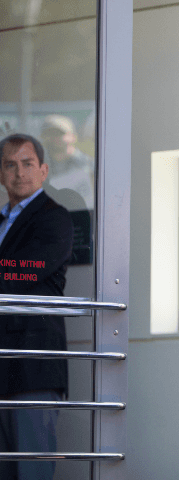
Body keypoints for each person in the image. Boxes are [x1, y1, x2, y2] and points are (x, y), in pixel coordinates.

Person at [0, 134, 74, 480]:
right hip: (3, 366)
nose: (19, 173)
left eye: (27, 164)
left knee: (31, 472)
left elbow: (24, 270)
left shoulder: (54, 218)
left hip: (32, 366)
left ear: (43, 170)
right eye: (10, 165)